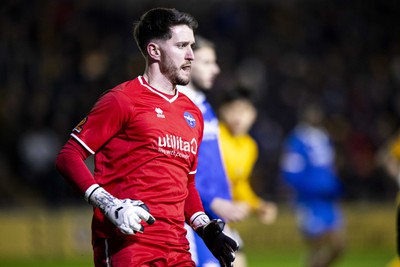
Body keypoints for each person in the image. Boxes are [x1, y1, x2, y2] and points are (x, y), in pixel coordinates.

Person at [55, 8, 238, 267]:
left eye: (192, 46)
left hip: (178, 248)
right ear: (154, 51)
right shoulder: (121, 100)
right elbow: (68, 157)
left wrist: (203, 226)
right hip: (129, 245)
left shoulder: (192, 114)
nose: (190, 56)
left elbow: (186, 185)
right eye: (182, 46)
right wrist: (109, 205)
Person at [179, 35, 249, 267]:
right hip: (197, 218)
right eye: (207, 62)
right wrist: (213, 201)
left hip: (216, 215)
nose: (216, 69)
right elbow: (181, 170)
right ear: (187, 61)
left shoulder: (204, 107)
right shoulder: (179, 109)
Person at [279, 102, 345, 267]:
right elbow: (290, 171)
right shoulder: (297, 140)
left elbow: (330, 166)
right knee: (317, 245)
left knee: (339, 245)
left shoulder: (323, 137)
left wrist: (333, 185)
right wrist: (304, 191)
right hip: (309, 201)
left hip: (328, 200)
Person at [218, 88, 278, 266]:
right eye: (232, 109)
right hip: (203, 214)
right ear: (222, 111)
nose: (238, 116)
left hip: (223, 219)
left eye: (244, 110)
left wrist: (258, 206)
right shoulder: (213, 136)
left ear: (253, 113)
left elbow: (239, 185)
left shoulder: (250, 146)